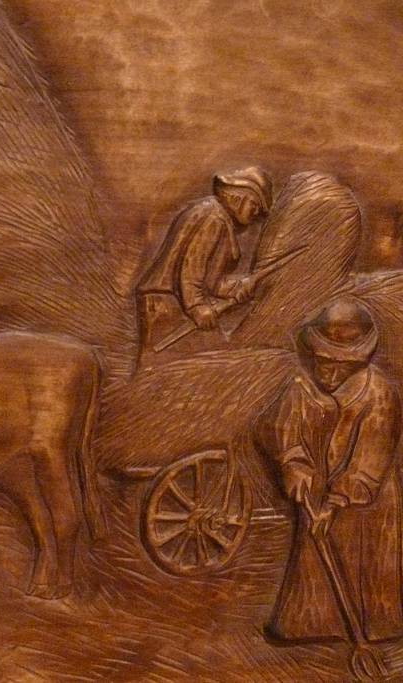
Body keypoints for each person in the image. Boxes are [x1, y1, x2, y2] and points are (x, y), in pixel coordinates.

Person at [261, 298, 403, 643]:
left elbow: (370, 459)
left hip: (364, 503)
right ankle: (308, 627)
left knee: (364, 563)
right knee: (313, 563)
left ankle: (373, 628)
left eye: (337, 364)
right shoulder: (301, 385)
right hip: (316, 493)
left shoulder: (379, 394)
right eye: (321, 360)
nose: (326, 372)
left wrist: (336, 502)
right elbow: (276, 426)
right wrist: (292, 462)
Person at [136, 166, 273, 361]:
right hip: (165, 304)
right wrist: (196, 306)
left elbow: (210, 282)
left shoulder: (221, 219)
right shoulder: (213, 216)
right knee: (167, 365)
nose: (256, 212)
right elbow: (191, 265)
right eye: (255, 204)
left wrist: (238, 287)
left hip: (174, 302)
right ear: (240, 197)